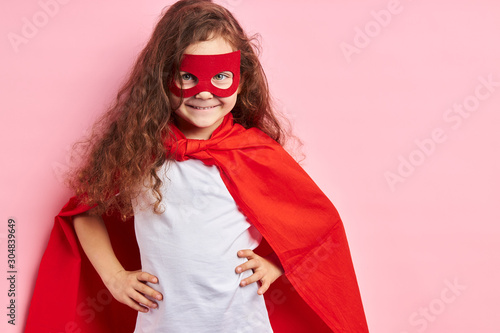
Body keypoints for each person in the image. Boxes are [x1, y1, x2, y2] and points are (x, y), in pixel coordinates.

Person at [26, 0, 369, 332]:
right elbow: (86, 210)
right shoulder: (139, 152)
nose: (204, 92)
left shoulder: (253, 153)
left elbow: (317, 227)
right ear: (162, 79)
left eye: (220, 75)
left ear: (241, 79)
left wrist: (276, 264)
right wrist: (114, 276)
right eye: (188, 76)